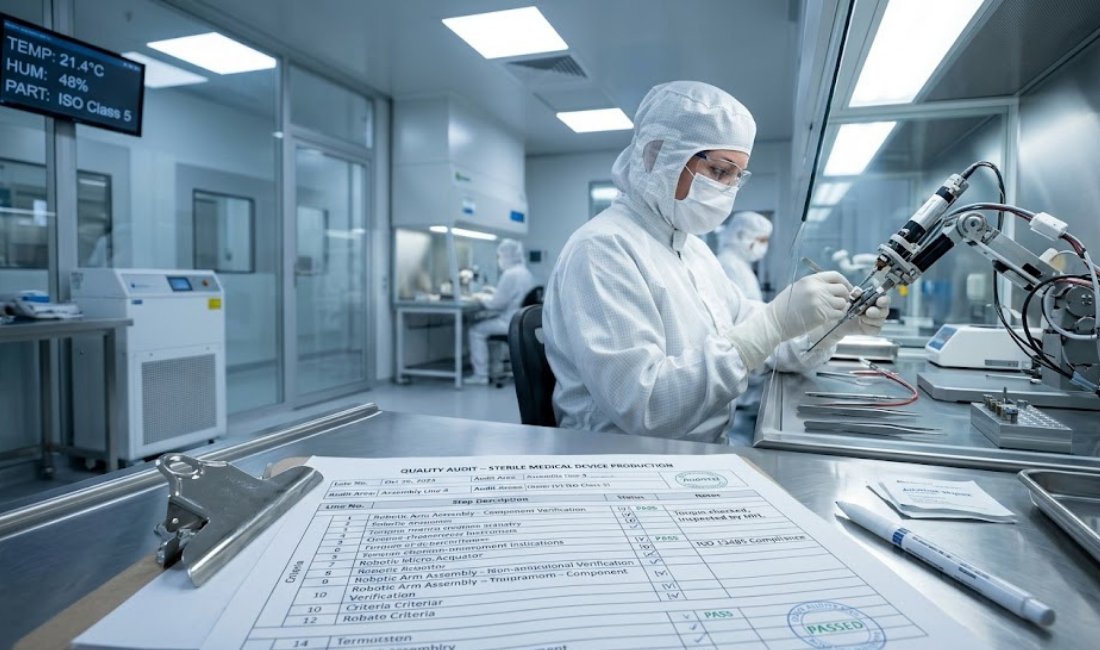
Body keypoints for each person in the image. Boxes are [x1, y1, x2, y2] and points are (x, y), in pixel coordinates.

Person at [542, 81, 889, 443]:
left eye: (737, 177)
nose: (727, 190)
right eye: (720, 172)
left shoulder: (693, 251)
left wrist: (827, 326)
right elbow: (645, 407)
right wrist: (770, 324)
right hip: (625, 465)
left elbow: (760, 339)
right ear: (656, 155)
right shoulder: (603, 249)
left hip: (694, 454)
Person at [466, 238, 535, 385]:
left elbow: (496, 304)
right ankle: (495, 368)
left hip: (509, 321)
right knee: (487, 326)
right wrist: (493, 292)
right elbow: (512, 296)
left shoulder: (509, 274)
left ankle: (481, 375)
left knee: (476, 330)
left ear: (505, 256)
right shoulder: (524, 272)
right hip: (522, 321)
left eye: (499, 256)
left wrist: (480, 297)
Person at [716, 211, 772, 302]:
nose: (764, 246)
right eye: (762, 240)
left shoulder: (740, 262)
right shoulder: (729, 263)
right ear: (741, 236)